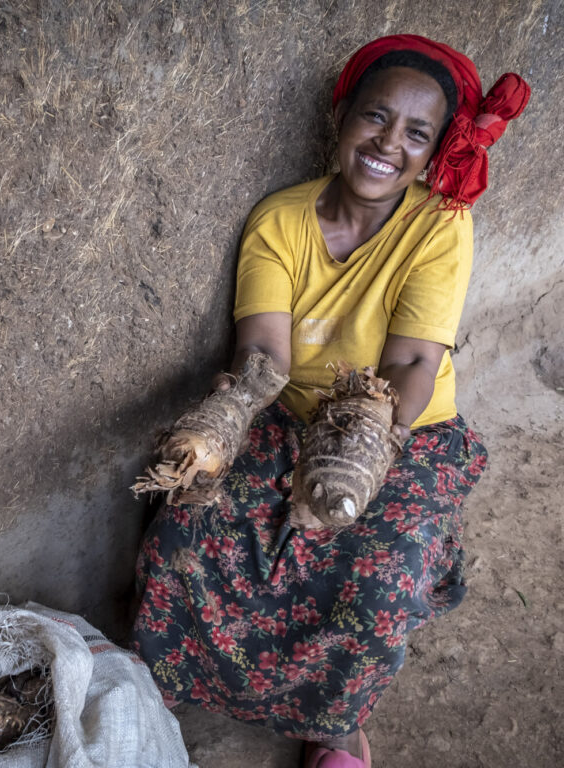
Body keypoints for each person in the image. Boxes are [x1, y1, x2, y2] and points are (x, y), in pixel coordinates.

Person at [131, 35, 530, 768]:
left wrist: (362, 454)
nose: (389, 145)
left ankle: (336, 721)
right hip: (287, 414)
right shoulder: (279, 221)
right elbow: (265, 358)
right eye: (376, 119)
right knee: (187, 527)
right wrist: (227, 416)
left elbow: (412, 360)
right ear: (341, 116)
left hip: (405, 423)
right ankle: (168, 681)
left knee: (380, 570)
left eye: (416, 133)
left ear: (434, 149)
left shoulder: (440, 224)